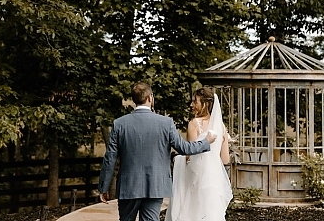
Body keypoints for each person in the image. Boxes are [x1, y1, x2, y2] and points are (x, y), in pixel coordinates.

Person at [97, 81, 217, 221]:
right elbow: (184, 148)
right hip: (156, 185)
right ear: (150, 98)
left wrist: (103, 187)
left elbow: (109, 158)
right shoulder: (166, 123)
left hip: (128, 186)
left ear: (135, 99)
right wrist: (206, 141)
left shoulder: (119, 124)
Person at [166, 87, 233, 221]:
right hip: (214, 181)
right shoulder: (221, 127)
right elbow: (225, 159)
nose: (191, 105)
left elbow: (189, 154)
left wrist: (178, 159)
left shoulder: (194, 124)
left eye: (195, 102)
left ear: (205, 104)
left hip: (195, 178)